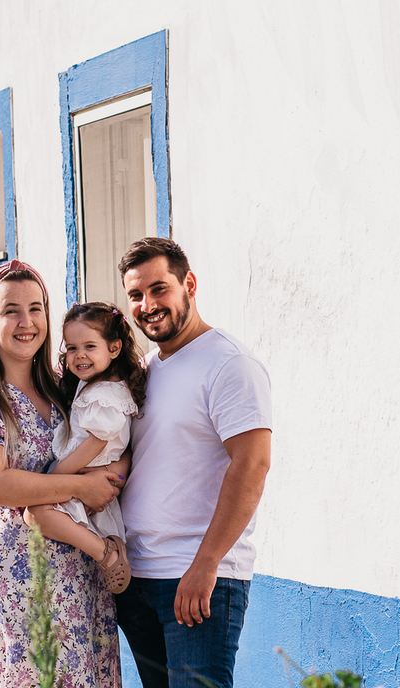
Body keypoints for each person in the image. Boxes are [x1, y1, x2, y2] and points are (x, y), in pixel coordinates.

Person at [0, 260, 127, 688]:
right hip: (23, 571)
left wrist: (114, 475)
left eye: (36, 308)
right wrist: (81, 485)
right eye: (11, 310)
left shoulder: (64, 386)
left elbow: (112, 436)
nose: (26, 322)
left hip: (85, 565)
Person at [115, 238, 272, 688]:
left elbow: (252, 465)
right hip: (140, 577)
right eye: (136, 295)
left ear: (189, 284)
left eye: (159, 289)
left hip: (197, 577)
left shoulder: (229, 364)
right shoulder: (144, 369)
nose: (148, 304)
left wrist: (206, 564)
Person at [23, 301, 148, 594]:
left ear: (114, 348)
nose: (79, 356)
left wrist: (55, 480)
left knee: (36, 512)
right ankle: (104, 550)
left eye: (90, 346)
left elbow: (96, 442)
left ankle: (107, 553)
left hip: (86, 473)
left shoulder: (105, 393)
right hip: (88, 476)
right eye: (71, 348)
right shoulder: (89, 383)